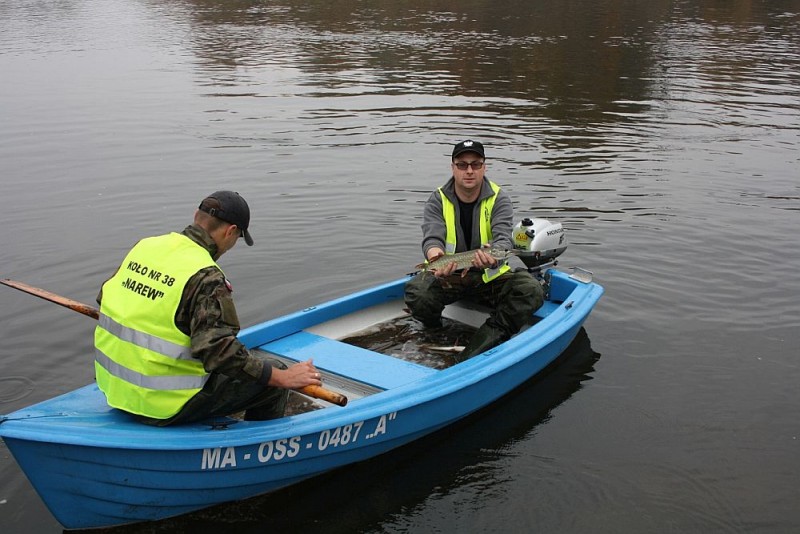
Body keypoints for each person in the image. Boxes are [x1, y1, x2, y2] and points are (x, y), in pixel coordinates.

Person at [94, 190, 321, 426]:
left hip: (114, 390)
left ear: (196, 216)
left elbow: (105, 299)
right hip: (161, 406)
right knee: (271, 379)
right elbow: (219, 353)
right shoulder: (206, 276)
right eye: (237, 238)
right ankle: (259, 446)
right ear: (230, 231)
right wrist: (282, 377)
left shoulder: (145, 247)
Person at [404, 140, 544, 359]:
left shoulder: (500, 198)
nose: (469, 171)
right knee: (418, 293)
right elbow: (432, 236)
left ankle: (484, 342)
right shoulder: (437, 199)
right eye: (462, 165)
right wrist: (435, 257)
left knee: (531, 290)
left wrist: (494, 255)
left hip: (490, 278)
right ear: (453, 167)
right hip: (450, 275)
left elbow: (503, 240)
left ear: (484, 167)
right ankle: (435, 332)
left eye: (475, 164)